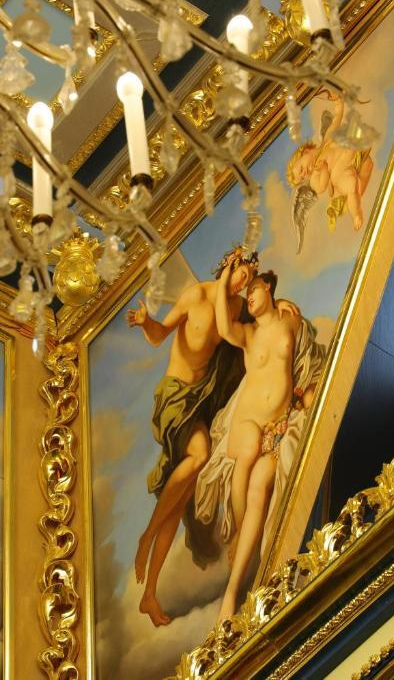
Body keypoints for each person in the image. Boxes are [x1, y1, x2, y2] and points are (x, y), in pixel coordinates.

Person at [125, 248, 256, 626]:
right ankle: (146, 536)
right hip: (174, 397)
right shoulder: (196, 295)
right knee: (199, 456)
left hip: (201, 402)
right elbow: (159, 337)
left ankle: (149, 595)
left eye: (248, 278)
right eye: (241, 273)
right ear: (228, 264)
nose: (243, 282)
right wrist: (146, 321)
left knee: (180, 498)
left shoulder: (236, 309)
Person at [212, 262, 302, 622]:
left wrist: (288, 304)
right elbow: (223, 327)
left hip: (277, 427)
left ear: (269, 289)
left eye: (254, 289)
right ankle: (236, 534)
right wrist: (225, 280)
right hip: (248, 423)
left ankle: (237, 590)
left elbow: (305, 348)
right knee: (248, 449)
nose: (249, 296)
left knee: (260, 489)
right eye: (246, 293)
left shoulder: (290, 320)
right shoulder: (248, 334)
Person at [287, 88, 375, 251]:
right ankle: (357, 214)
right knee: (351, 184)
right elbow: (321, 186)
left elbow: (337, 116)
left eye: (300, 170)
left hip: (350, 156)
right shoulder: (314, 177)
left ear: (304, 152)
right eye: (302, 178)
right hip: (339, 174)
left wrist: (337, 101)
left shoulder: (326, 140)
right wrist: (322, 170)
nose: (304, 174)